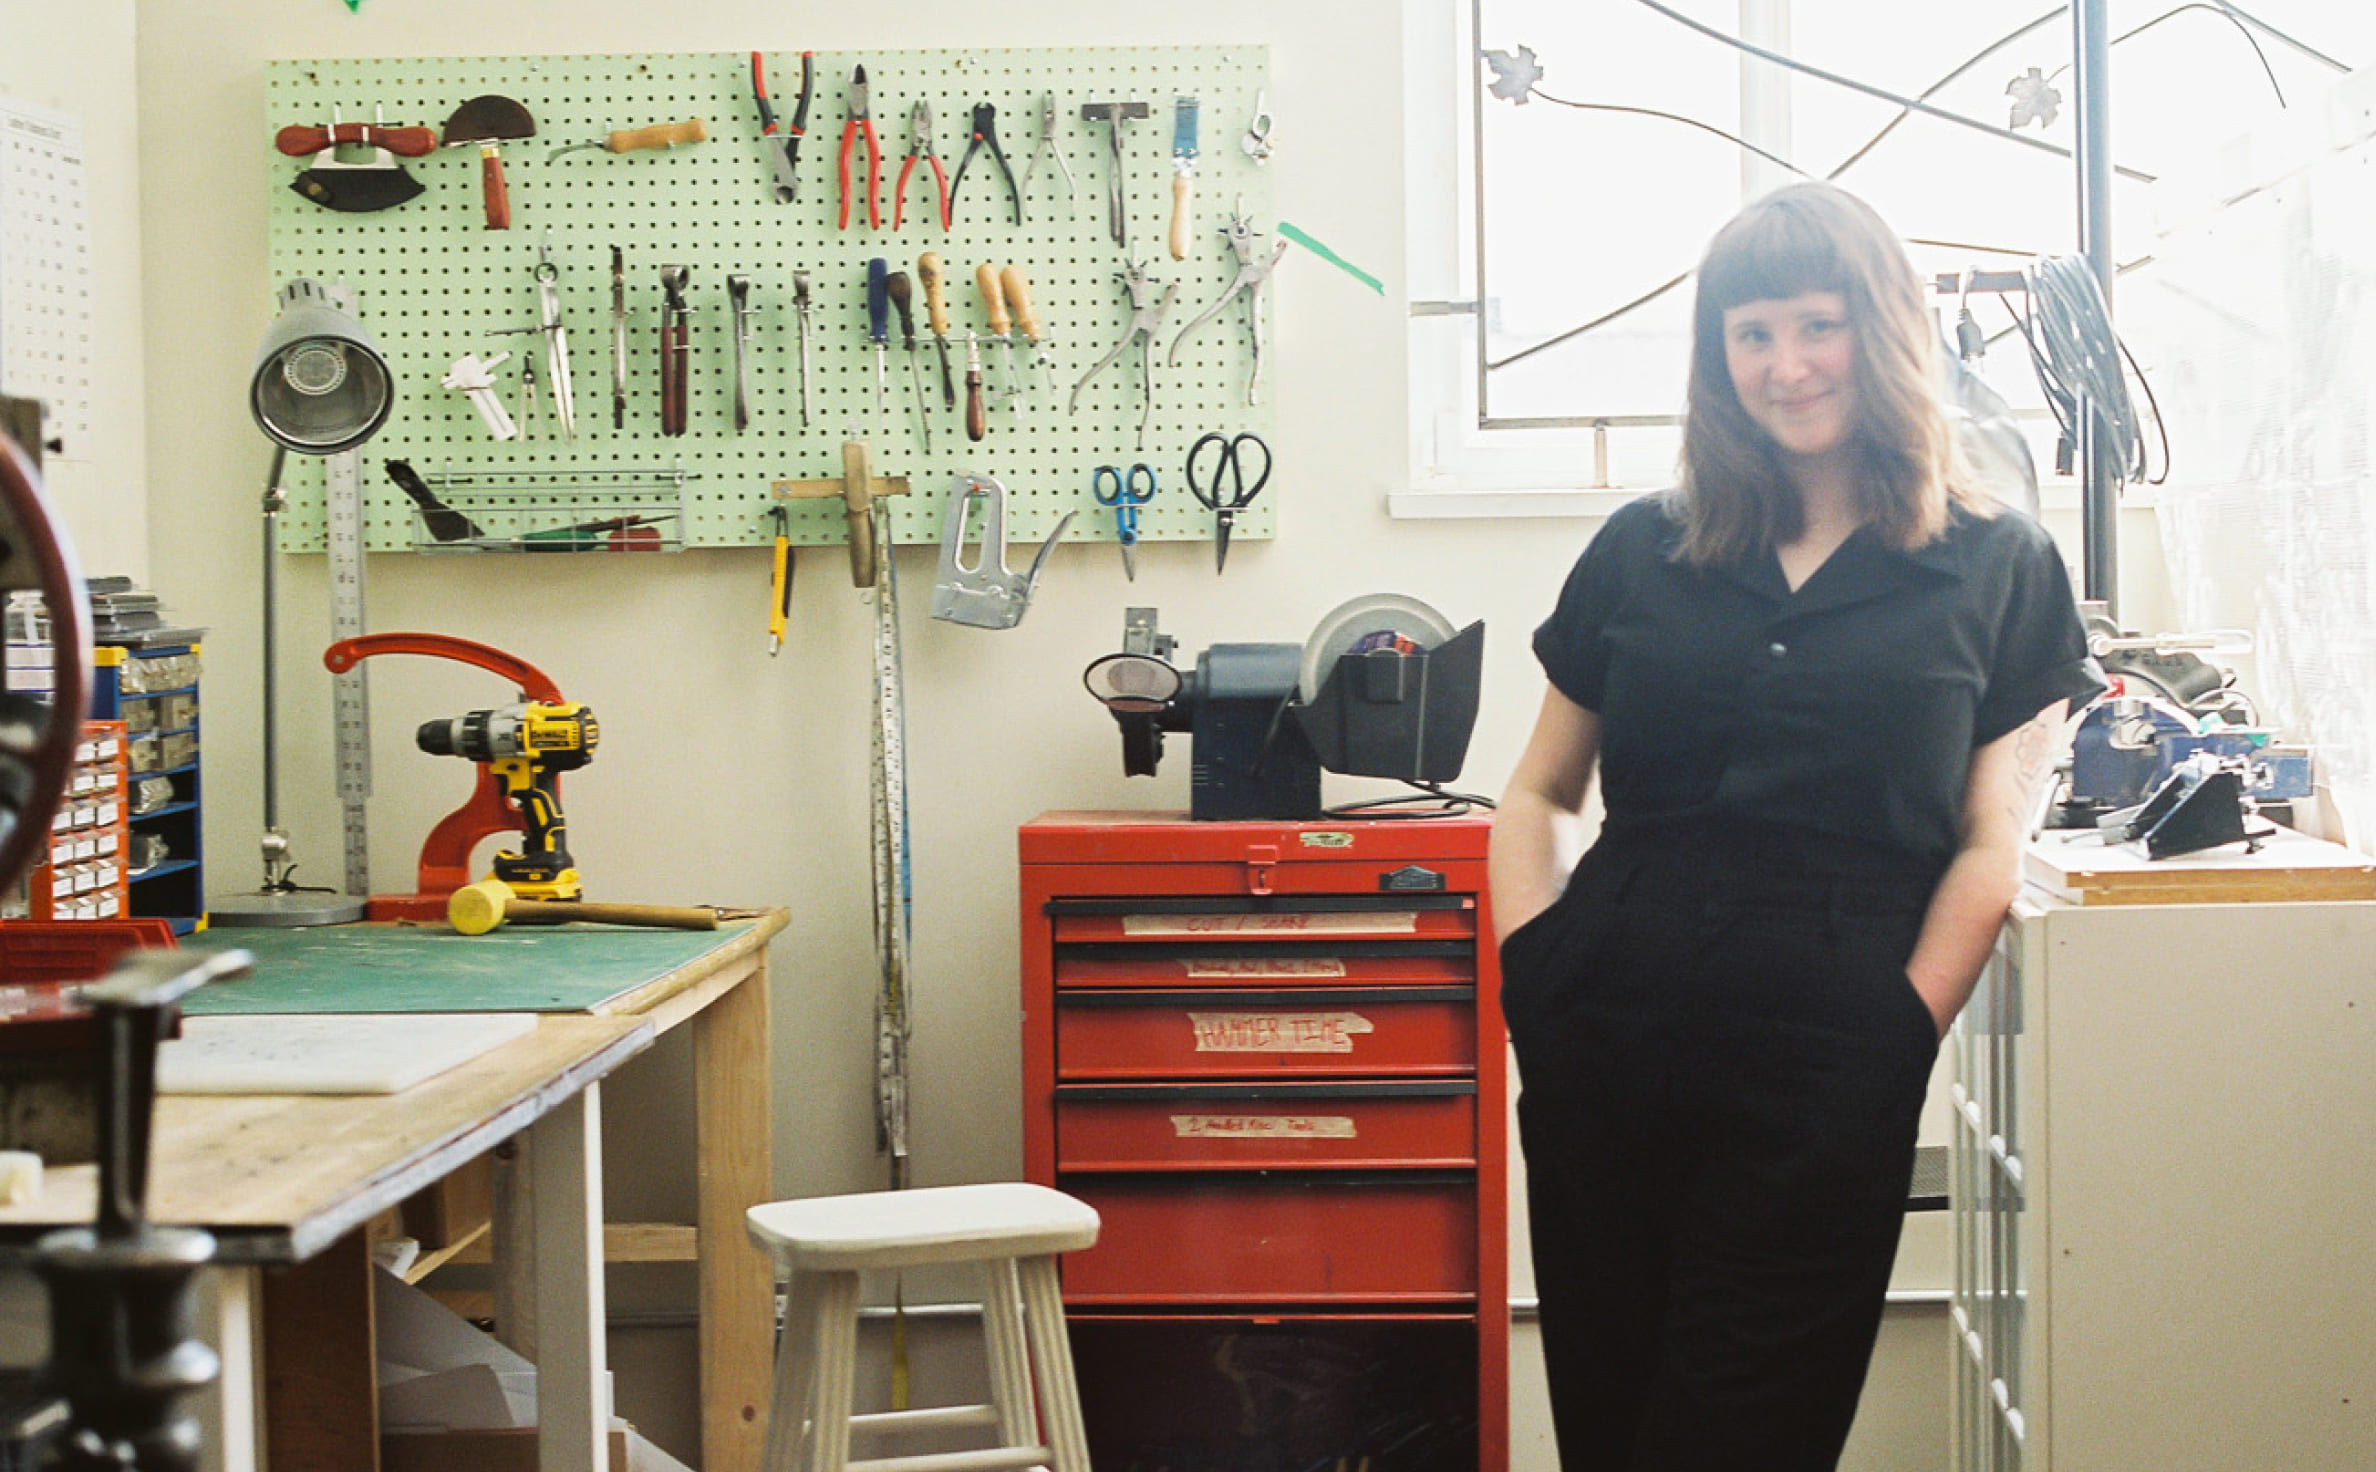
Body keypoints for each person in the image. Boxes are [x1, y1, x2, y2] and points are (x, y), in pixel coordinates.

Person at [1488, 181, 2106, 1472]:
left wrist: (1896, 1035)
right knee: (1614, 1427)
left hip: (1825, 1071)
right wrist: (1532, 973)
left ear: (1881, 334)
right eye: (1752, 332)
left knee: (1741, 1437)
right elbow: (1541, 793)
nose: (1786, 366)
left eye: (1817, 326)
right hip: (1605, 1042)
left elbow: (1993, 839)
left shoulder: (2000, 570)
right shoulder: (1639, 551)